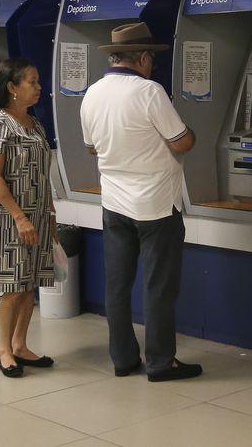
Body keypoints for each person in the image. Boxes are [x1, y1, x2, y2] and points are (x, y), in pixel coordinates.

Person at [80, 22, 201, 383]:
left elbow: (91, 147)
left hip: (114, 203)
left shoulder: (93, 93)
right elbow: (182, 142)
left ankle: (122, 358)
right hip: (156, 205)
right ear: (144, 58)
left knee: (117, 285)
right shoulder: (149, 92)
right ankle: (161, 362)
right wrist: (190, 131)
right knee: (158, 286)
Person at [0, 57, 58, 377]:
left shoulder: (34, 122)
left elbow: (44, 173)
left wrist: (51, 213)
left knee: (30, 283)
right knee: (13, 284)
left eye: (38, 81)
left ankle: (21, 345)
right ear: (12, 87)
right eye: (32, 82)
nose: (39, 87)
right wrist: (20, 217)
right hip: (8, 215)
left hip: (38, 212)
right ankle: (4, 351)